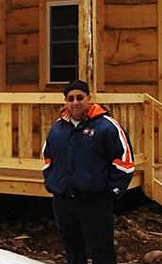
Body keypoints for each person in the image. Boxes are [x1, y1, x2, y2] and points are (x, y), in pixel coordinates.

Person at [42, 80, 134, 264]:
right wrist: (52, 183)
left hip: (95, 200)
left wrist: (112, 191)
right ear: (65, 101)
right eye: (70, 98)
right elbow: (47, 158)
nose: (75, 102)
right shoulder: (57, 129)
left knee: (101, 248)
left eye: (80, 98)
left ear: (89, 99)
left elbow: (124, 161)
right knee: (73, 248)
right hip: (64, 200)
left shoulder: (107, 126)